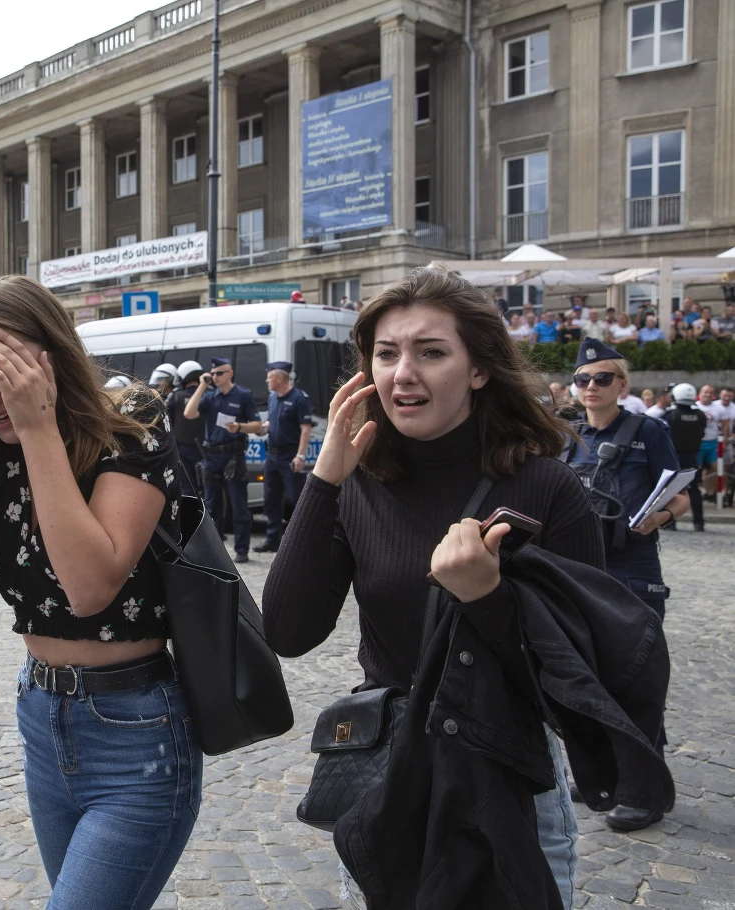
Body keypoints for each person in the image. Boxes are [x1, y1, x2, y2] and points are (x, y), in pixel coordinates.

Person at [263, 269, 604, 907]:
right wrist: (326, 480)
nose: (402, 373)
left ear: (479, 369)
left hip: (511, 774)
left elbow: (583, 682)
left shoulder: (545, 487)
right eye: (386, 354)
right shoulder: (359, 483)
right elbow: (286, 631)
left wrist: (489, 599)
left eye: (431, 353)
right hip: (388, 770)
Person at [0, 275, 199, 910]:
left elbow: (91, 587)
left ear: (51, 353)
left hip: (137, 732)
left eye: (3, 369)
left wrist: (38, 429)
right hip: (43, 719)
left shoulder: (130, 418)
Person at [564, 338, 686, 831]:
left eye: (602, 378)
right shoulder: (567, 434)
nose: (591, 387)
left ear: (622, 384)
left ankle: (646, 792)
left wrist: (659, 518)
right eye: (582, 380)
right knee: (589, 674)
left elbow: (679, 490)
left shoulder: (648, 431)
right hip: (580, 567)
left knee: (636, 677)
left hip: (633, 567)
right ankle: (608, 773)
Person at [183, 356, 260, 562]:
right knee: (211, 505)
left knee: (238, 505)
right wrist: (202, 386)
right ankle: (214, 551)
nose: (215, 377)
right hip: (211, 456)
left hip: (233, 456)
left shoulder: (243, 395)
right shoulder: (210, 396)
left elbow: (258, 425)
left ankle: (242, 550)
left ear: (230, 373)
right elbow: (189, 413)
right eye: (213, 373)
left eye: (219, 373)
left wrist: (240, 428)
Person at [253, 361, 312, 553]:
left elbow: (305, 430)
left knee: (297, 500)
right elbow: (272, 420)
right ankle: (273, 540)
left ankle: (302, 542)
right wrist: (263, 428)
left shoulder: (299, 398)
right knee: (271, 500)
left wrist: (300, 456)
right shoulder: (273, 398)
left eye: (269, 377)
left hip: (289, 456)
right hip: (272, 456)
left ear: (279, 378)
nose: (267, 380)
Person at [664, 384, 707, 532]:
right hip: (692, 457)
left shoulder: (671, 414)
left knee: (670, 490)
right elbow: (702, 434)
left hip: (673, 456)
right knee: (694, 490)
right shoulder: (700, 415)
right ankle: (699, 522)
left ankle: (669, 522)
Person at [166, 360, 205, 493]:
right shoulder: (208, 395)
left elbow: (166, 422)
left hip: (182, 450)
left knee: (187, 488)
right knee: (207, 488)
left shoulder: (175, 397)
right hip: (206, 450)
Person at [695, 384, 722, 503]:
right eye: (705, 392)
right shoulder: (694, 407)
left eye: (710, 393)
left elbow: (725, 423)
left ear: (714, 395)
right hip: (698, 442)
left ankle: (709, 491)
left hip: (713, 442)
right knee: (696, 468)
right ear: (700, 394)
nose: (707, 395)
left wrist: (724, 439)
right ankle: (695, 491)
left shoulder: (717, 408)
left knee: (715, 467)